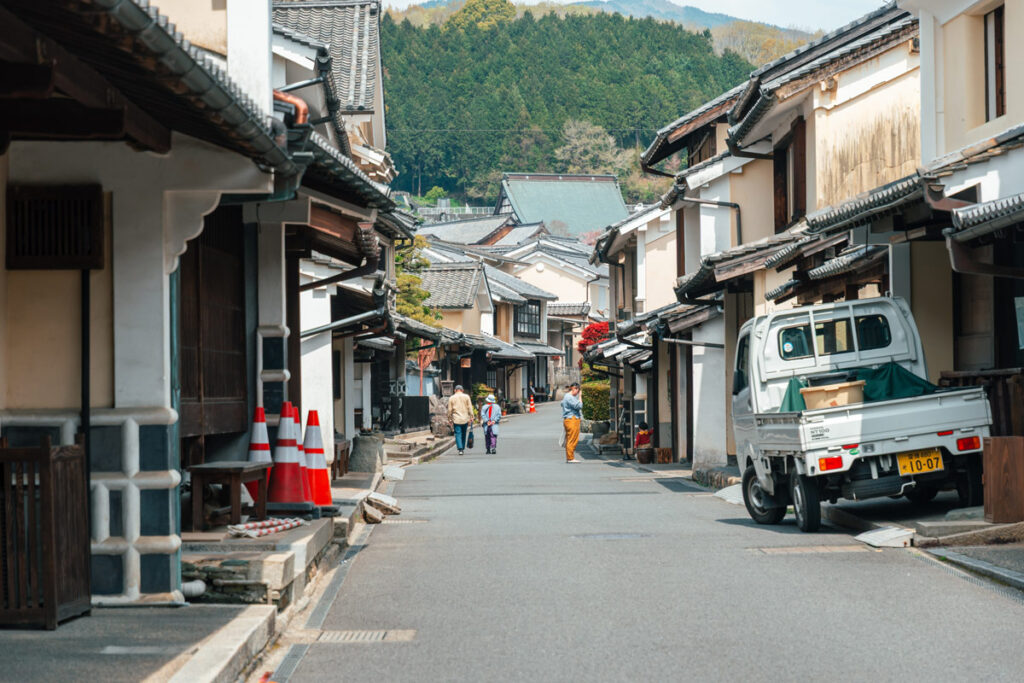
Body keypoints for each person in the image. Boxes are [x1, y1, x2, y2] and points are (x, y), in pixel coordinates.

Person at [447, 385, 475, 455]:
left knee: (458, 434)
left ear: (455, 390)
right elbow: (470, 407)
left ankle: (460, 449)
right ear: (462, 390)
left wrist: (449, 418)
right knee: (464, 433)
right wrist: (472, 416)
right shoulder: (466, 397)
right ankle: (462, 447)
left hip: (456, 418)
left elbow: (449, 410)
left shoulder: (451, 398)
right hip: (465, 418)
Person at [561, 382, 583, 463]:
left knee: (572, 438)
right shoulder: (569, 397)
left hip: (570, 419)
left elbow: (562, 403)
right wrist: (580, 397)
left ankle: (570, 457)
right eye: (578, 390)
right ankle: (570, 458)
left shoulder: (566, 397)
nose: (578, 393)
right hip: (571, 419)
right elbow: (579, 406)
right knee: (572, 439)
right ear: (574, 388)